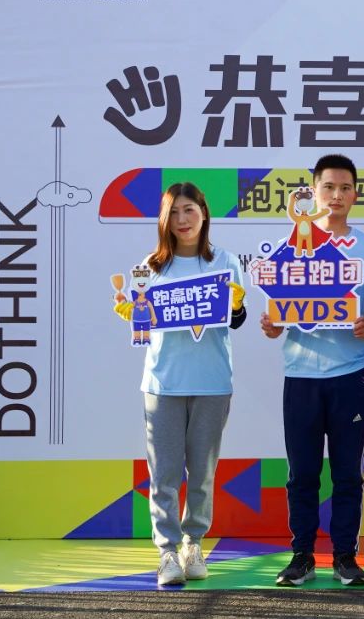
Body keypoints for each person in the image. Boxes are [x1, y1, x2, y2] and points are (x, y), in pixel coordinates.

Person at [262, 154, 364, 587]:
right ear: (312, 193)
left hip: (349, 375)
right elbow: (278, 310)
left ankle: (345, 557)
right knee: (302, 474)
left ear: (355, 194)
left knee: (347, 473)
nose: (336, 195)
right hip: (300, 374)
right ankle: (301, 555)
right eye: (328, 187)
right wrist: (272, 325)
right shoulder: (290, 246)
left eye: (345, 188)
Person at [112, 182, 248, 587]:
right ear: (163, 220)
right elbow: (142, 317)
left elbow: (237, 319)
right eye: (173, 212)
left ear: (204, 213)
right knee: (164, 474)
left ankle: (193, 544)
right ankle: (167, 552)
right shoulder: (151, 267)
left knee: (202, 472)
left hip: (212, 382)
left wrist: (236, 303)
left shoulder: (224, 262)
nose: (182, 220)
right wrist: (133, 312)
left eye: (189, 210)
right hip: (162, 383)